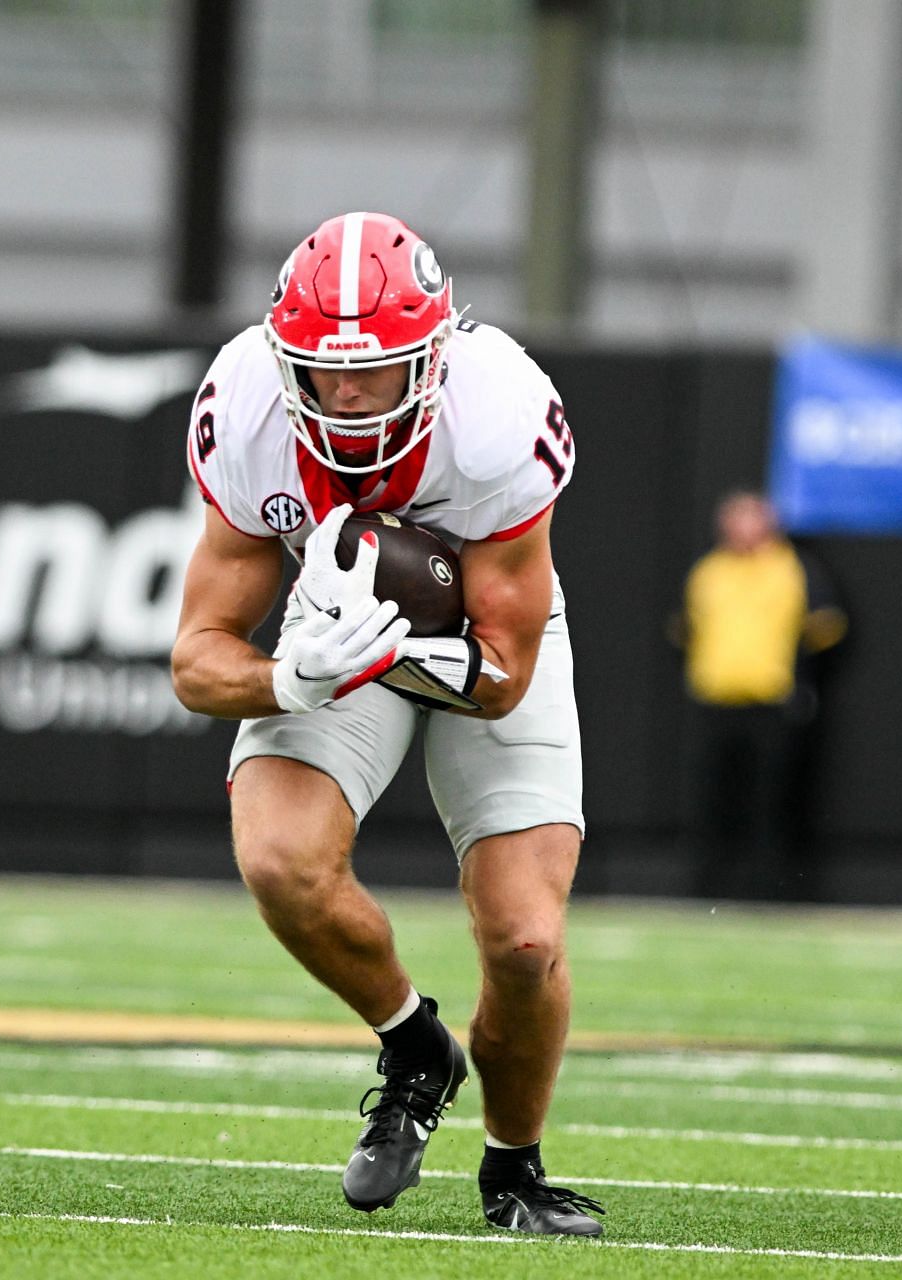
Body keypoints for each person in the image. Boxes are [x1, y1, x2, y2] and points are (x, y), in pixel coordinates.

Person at [170, 212, 602, 1236]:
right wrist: (293, 677)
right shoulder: (244, 413)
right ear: (284, 361)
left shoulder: (498, 415)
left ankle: (516, 1168)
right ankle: (413, 1042)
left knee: (527, 937)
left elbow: (504, 672)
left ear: (436, 356)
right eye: (322, 369)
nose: (350, 391)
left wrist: (404, 652)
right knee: (279, 856)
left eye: (380, 367)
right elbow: (196, 657)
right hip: (334, 635)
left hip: (477, 643)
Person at [677, 491, 846, 897]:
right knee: (713, 800)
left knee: (770, 803)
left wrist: (803, 677)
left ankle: (769, 890)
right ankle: (708, 890)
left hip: (772, 704)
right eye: (735, 520)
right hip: (716, 702)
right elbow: (685, 629)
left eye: (750, 519)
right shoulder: (710, 571)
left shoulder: (793, 568)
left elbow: (826, 628)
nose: (741, 530)